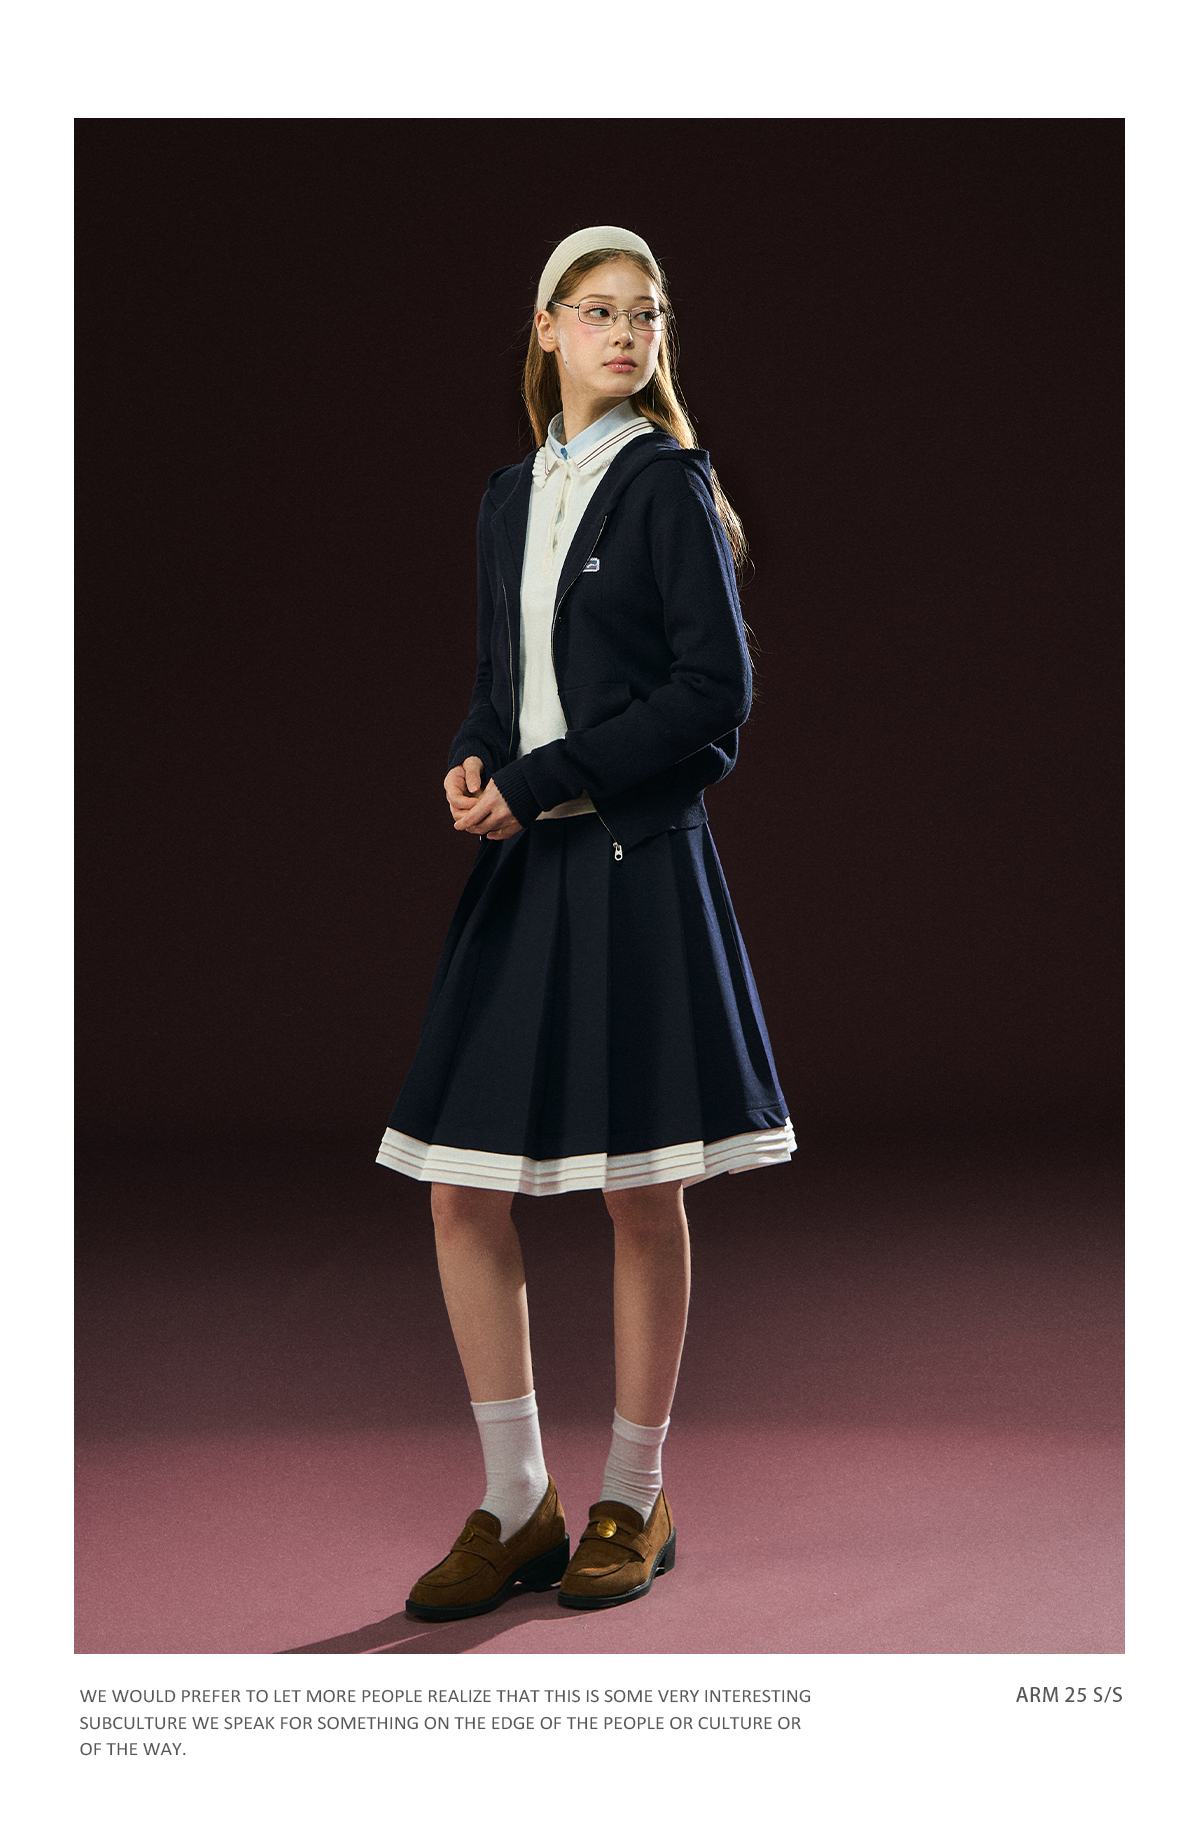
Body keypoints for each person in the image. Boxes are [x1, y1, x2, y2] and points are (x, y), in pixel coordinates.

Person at [377, 225, 794, 1620]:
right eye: (600, 311)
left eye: (647, 314)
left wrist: (547, 776)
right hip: (528, 867)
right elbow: (505, 679)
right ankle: (517, 1502)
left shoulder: (669, 483)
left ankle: (633, 1491)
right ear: (548, 329)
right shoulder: (511, 494)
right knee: (459, 1188)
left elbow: (713, 698)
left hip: (632, 863)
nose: (627, 334)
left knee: (639, 1186)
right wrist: (470, 750)